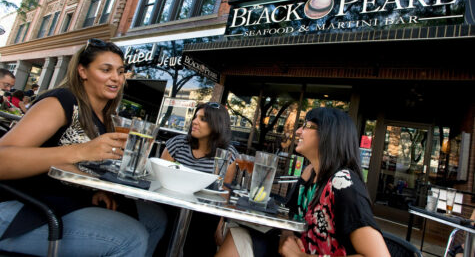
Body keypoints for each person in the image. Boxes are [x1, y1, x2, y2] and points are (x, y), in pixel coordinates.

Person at [0, 38, 167, 256]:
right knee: (131, 238)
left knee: (156, 218)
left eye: (120, 71)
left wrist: (96, 187)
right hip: (25, 206)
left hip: (68, 200)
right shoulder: (62, 101)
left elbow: (73, 166)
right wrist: (82, 150)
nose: (116, 78)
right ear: (83, 71)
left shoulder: (105, 118)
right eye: (106, 70)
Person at [216, 107, 390, 257]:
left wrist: (299, 255)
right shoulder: (310, 174)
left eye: (306, 126)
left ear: (328, 135)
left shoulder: (343, 183)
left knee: (238, 237)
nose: (298, 131)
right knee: (237, 233)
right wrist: (286, 236)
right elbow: (290, 218)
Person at [161, 102, 238, 256]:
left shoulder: (227, 155)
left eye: (202, 119)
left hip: (203, 214)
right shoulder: (177, 144)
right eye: (195, 117)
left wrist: (219, 225)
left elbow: (223, 194)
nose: (194, 121)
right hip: (171, 207)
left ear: (217, 125)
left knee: (202, 242)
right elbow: (160, 179)